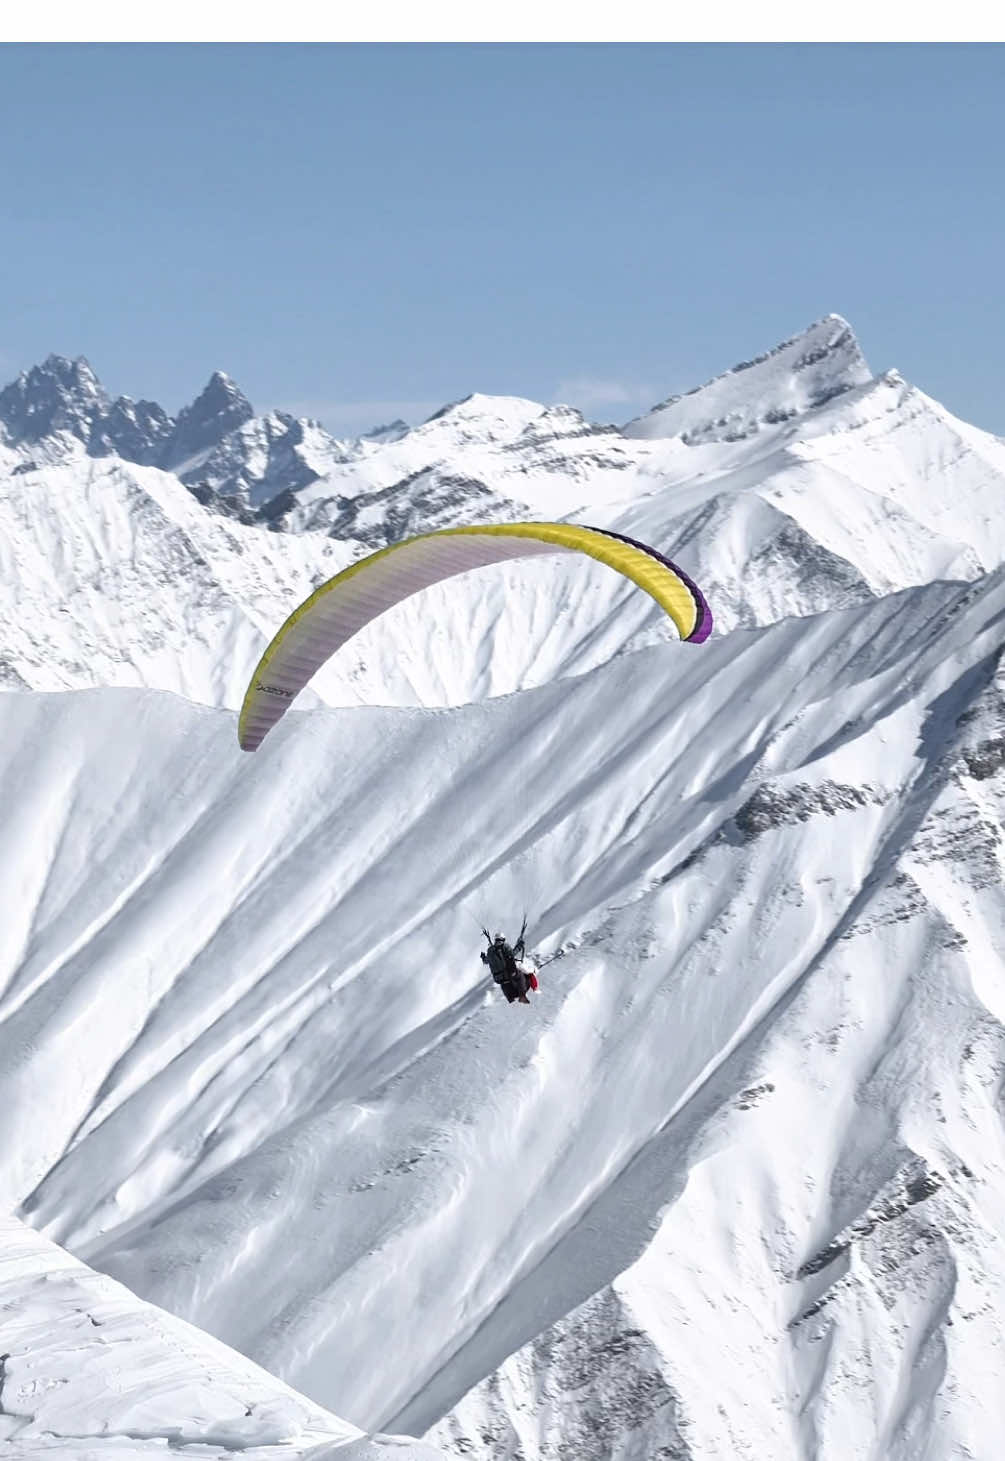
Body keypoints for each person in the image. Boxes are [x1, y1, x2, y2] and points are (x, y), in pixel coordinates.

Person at [481, 932, 532, 1004]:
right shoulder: (505, 946)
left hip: (498, 978)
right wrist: (520, 946)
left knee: (504, 983)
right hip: (508, 975)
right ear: (503, 939)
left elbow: (486, 961)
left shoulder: (490, 951)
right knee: (520, 975)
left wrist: (483, 957)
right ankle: (522, 996)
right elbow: (513, 954)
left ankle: (510, 999)